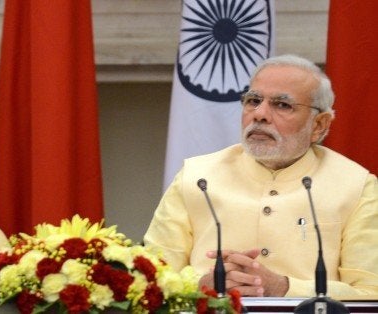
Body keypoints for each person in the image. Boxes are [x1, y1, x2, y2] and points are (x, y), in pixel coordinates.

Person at [144, 54, 378, 298]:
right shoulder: (197, 177)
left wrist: (285, 288)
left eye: (282, 105)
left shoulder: (356, 186)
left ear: (319, 125)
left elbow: (371, 292)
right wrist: (201, 286)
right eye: (253, 100)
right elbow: (149, 278)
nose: (260, 114)